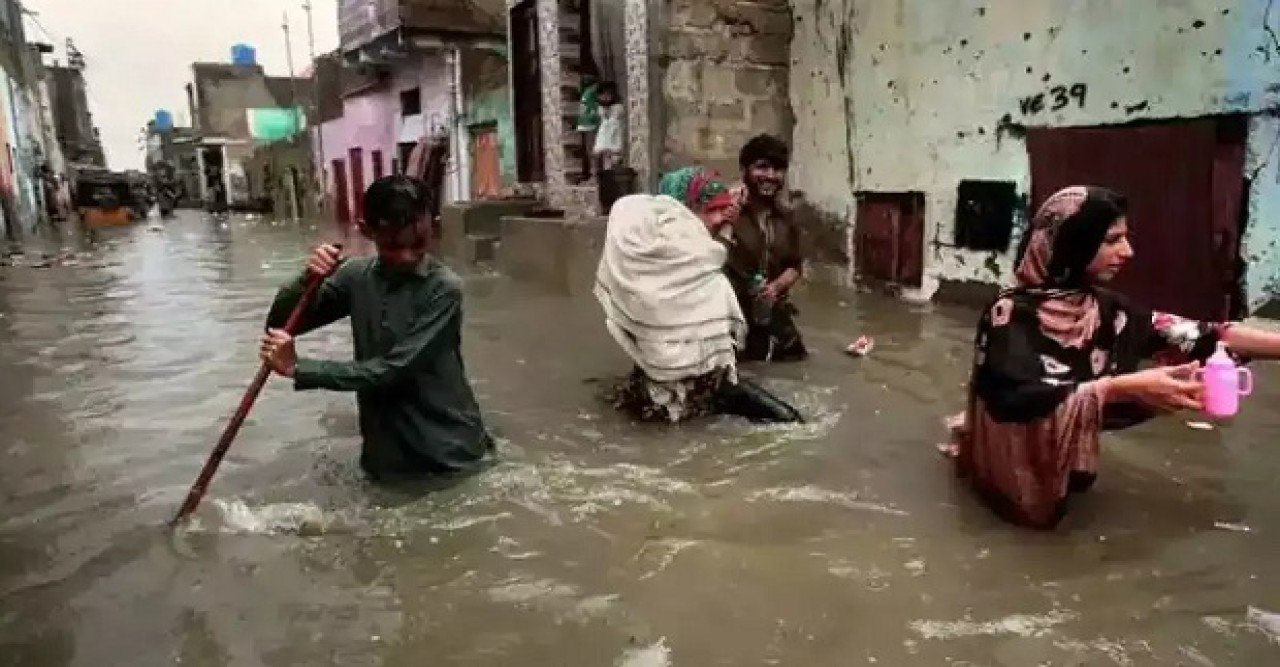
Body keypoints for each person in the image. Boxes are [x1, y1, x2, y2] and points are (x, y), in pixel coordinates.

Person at [950, 185, 1280, 529]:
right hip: (1009, 471)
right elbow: (1014, 399)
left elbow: (1205, 334)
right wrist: (1122, 387)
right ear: (1072, 241)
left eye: (1126, 238)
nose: (1128, 251)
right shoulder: (1009, 314)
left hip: (1058, 456)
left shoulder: (1106, 309)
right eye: (1112, 240)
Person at [259, 175, 495, 482]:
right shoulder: (356, 277)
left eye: (418, 244)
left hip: (449, 456)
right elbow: (281, 324)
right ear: (367, 230)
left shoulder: (444, 289)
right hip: (386, 457)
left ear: (432, 227)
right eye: (393, 246)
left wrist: (299, 368)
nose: (407, 256)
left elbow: (392, 370)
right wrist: (308, 279)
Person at [593, 165, 802, 424]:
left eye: (722, 209)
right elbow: (706, 260)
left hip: (676, 384)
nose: (718, 218)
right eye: (710, 209)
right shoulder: (675, 262)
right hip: (699, 385)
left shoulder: (682, 259)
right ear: (682, 212)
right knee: (790, 420)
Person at [723, 134, 808, 362]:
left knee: (795, 361)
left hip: (770, 310)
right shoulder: (728, 208)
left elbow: (795, 266)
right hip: (730, 312)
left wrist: (775, 287)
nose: (770, 176)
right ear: (745, 169)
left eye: (778, 169)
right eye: (762, 167)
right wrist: (726, 218)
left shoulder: (787, 217)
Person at [592, 81, 624, 173]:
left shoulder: (617, 108)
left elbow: (613, 127)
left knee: (613, 165)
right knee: (606, 168)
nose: (604, 97)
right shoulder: (601, 109)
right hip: (604, 146)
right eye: (602, 95)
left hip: (614, 144)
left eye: (608, 94)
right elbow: (602, 130)